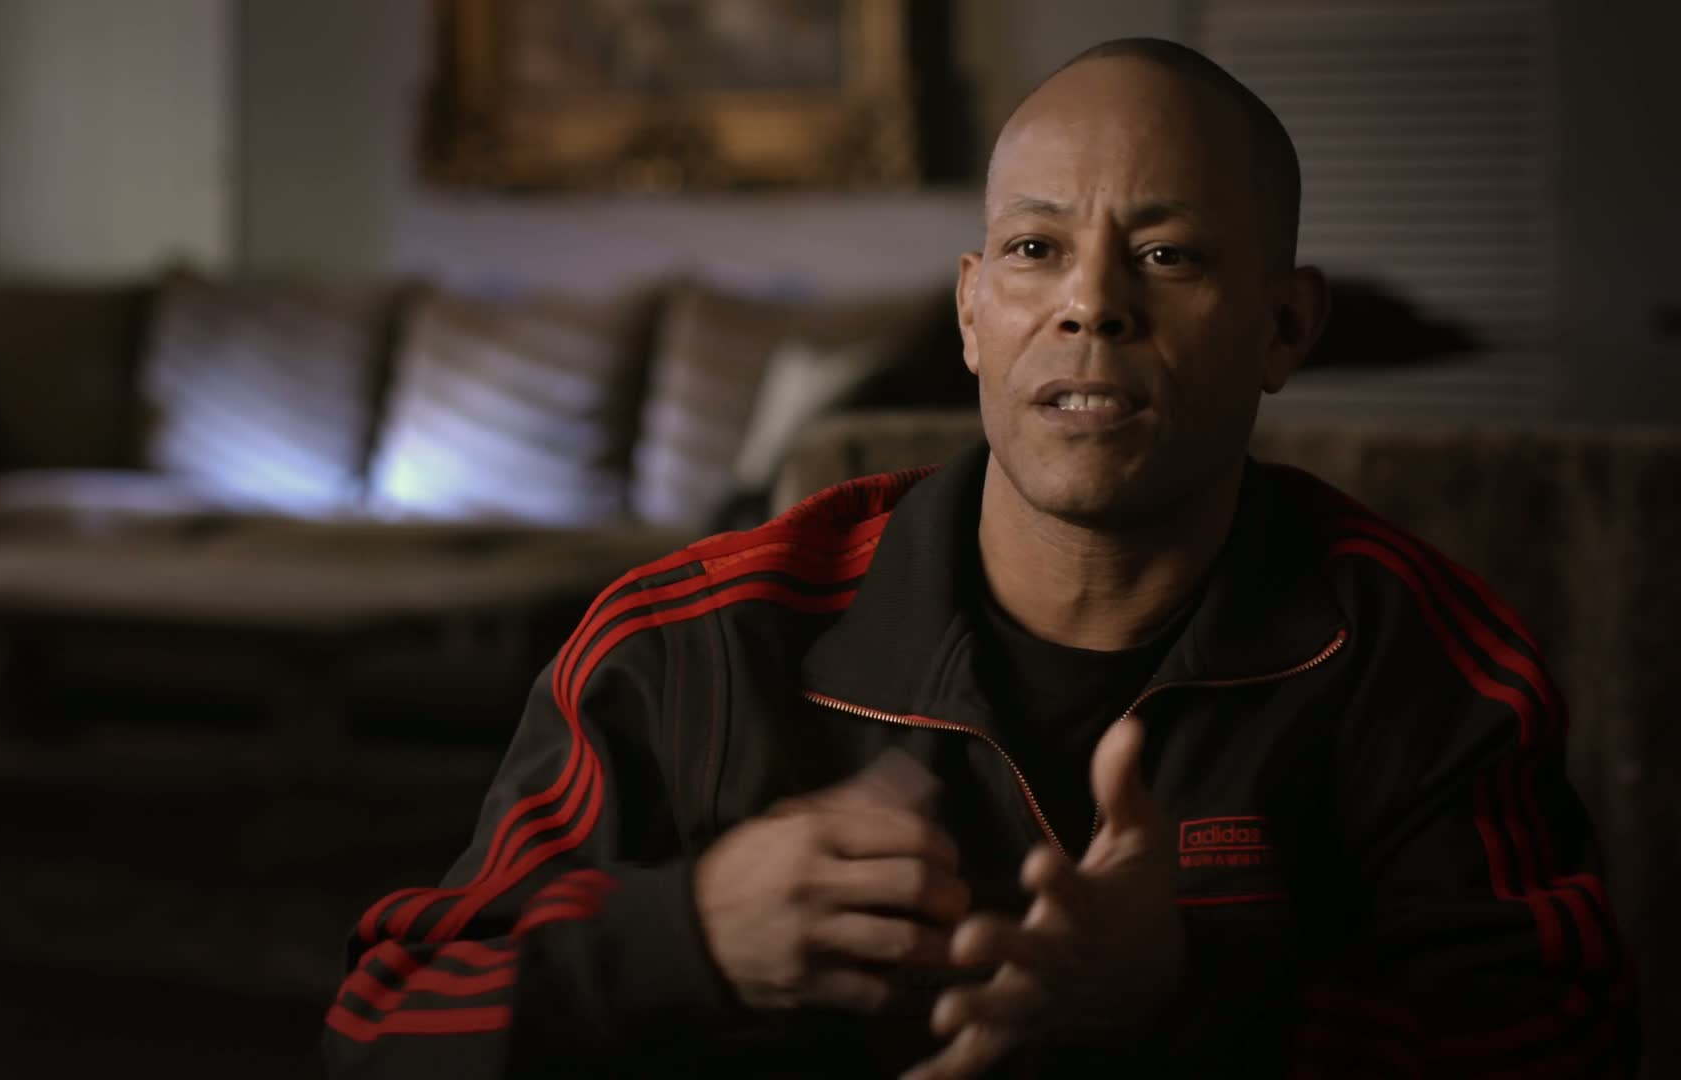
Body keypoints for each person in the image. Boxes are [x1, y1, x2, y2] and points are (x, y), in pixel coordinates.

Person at [323, 38, 1637, 1078]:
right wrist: (687, 940)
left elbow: (1567, 1045)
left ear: (1284, 327)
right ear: (971, 312)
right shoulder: (693, 644)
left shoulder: (1419, 655)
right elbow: (384, 1029)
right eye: (1034, 250)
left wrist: (1195, 994)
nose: (1092, 304)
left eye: (1168, 255)